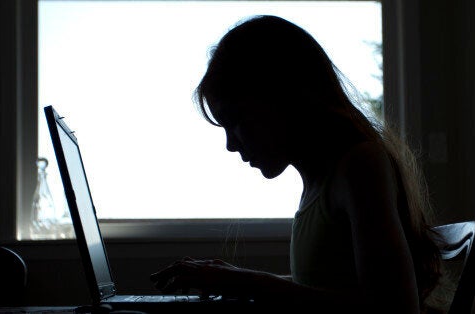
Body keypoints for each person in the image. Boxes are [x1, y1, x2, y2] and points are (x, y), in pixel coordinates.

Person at [149, 15, 444, 314]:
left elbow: (395, 308)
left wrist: (248, 283)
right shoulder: (321, 182)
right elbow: (329, 286)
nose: (231, 144)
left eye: (236, 121)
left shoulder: (359, 166)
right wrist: (234, 279)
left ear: (282, 99)